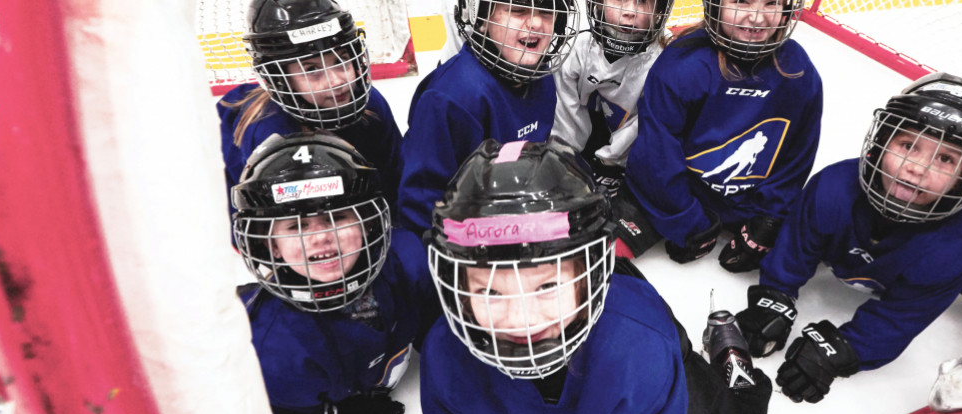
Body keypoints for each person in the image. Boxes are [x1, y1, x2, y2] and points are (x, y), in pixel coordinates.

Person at [421, 140, 770, 414]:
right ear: (458, 286)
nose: (521, 318)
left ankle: (735, 384)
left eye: (546, 285)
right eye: (491, 292)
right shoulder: (446, 358)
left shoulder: (639, 347)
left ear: (590, 273)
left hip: (646, 359)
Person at [734, 73, 962, 404]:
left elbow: (900, 316)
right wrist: (774, 298)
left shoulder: (958, 246)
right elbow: (797, 249)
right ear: (880, 144)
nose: (918, 168)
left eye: (945, 159)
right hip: (902, 238)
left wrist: (847, 349)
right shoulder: (833, 187)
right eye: (909, 146)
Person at [231, 132, 439, 414]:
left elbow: (440, 329)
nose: (320, 238)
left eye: (337, 217)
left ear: (366, 222)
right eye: (295, 225)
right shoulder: (274, 348)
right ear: (269, 245)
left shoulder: (408, 261)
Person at [612, 0, 821, 274]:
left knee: (808, 251)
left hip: (746, 204)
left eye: (771, 3)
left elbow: (796, 155)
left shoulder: (798, 71)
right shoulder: (684, 65)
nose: (756, 18)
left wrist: (770, 218)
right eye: (741, 1)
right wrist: (688, 221)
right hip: (672, 198)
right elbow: (656, 157)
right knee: (592, 256)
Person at [396, 0, 579, 232]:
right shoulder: (453, 97)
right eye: (518, 10)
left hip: (508, 220)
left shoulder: (541, 78)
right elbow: (421, 205)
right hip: (463, 237)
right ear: (482, 20)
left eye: (546, 11)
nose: (535, 22)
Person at [218, 0, 404, 218]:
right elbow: (286, 228)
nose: (336, 81)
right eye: (312, 69)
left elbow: (396, 183)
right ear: (280, 80)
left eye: (341, 60)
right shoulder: (270, 132)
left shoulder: (370, 104)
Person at [550, 0, 674, 197]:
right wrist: (564, 157)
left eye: (643, 2)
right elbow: (565, 112)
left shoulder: (666, 55)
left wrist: (611, 163)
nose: (629, 12)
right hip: (583, 136)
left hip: (625, 156)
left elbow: (643, 121)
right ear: (599, 3)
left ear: (659, 9)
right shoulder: (575, 40)